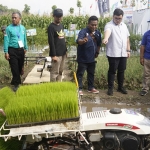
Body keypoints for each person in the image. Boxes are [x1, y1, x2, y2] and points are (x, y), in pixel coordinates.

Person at [103, 8, 131, 96]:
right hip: (113, 53)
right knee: (112, 71)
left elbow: (127, 38)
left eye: (119, 18)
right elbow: (107, 32)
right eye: (116, 18)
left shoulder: (124, 26)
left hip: (123, 53)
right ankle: (110, 88)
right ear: (113, 16)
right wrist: (106, 38)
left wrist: (128, 50)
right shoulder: (109, 25)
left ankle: (120, 87)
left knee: (122, 70)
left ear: (122, 18)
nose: (118, 20)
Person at [76, 16, 102, 96]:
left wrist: (97, 52)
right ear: (88, 24)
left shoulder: (98, 33)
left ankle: (90, 88)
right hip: (83, 58)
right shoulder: (83, 32)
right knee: (80, 74)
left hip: (92, 58)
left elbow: (99, 43)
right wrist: (83, 41)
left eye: (95, 25)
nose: (94, 27)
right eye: (92, 25)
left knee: (91, 73)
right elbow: (78, 41)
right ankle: (79, 88)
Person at [3, 12, 28, 92]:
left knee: (20, 67)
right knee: (14, 68)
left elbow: (24, 39)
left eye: (15, 18)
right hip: (12, 50)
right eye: (12, 17)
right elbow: (6, 40)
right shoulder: (8, 29)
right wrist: (6, 52)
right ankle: (16, 85)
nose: (13, 19)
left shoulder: (23, 28)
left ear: (19, 19)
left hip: (21, 50)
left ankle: (17, 79)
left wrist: (25, 48)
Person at [48, 8, 67, 82]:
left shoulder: (61, 25)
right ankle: (52, 88)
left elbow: (63, 39)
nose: (59, 18)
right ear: (53, 16)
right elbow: (51, 41)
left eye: (60, 16)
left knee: (60, 71)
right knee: (54, 72)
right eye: (57, 16)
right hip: (56, 54)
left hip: (63, 53)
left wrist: (66, 51)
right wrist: (53, 55)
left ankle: (58, 85)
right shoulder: (51, 27)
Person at [140, 29, 150, 96]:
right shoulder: (146, 34)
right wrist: (141, 57)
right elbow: (142, 46)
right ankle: (145, 89)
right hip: (147, 58)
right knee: (146, 74)